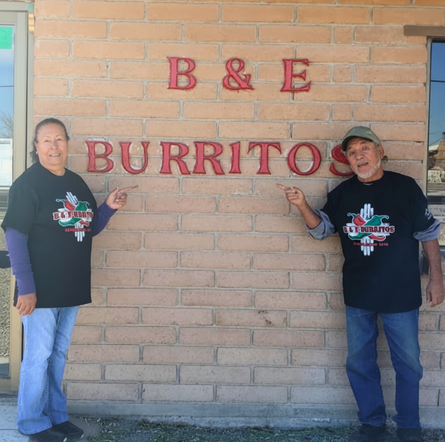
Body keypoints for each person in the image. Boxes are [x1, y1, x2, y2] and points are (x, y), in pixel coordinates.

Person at [277, 126, 445, 442]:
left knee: (408, 363)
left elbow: (429, 234)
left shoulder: (405, 188)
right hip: (358, 294)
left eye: (364, 148)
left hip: (401, 294)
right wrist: (301, 206)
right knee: (359, 362)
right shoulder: (343, 193)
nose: (359, 156)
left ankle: (409, 426)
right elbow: (322, 230)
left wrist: (437, 278)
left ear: (380, 151)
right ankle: (372, 423)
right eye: (352, 152)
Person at [2, 118, 136, 442]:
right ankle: (32, 422)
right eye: (46, 140)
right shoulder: (28, 184)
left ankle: (56, 417)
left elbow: (86, 227)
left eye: (58, 139)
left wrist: (108, 208)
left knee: (57, 354)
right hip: (41, 289)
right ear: (36, 147)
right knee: (38, 356)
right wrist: (27, 288)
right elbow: (15, 236)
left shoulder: (76, 184)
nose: (53, 146)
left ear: (67, 143)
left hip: (71, 286)